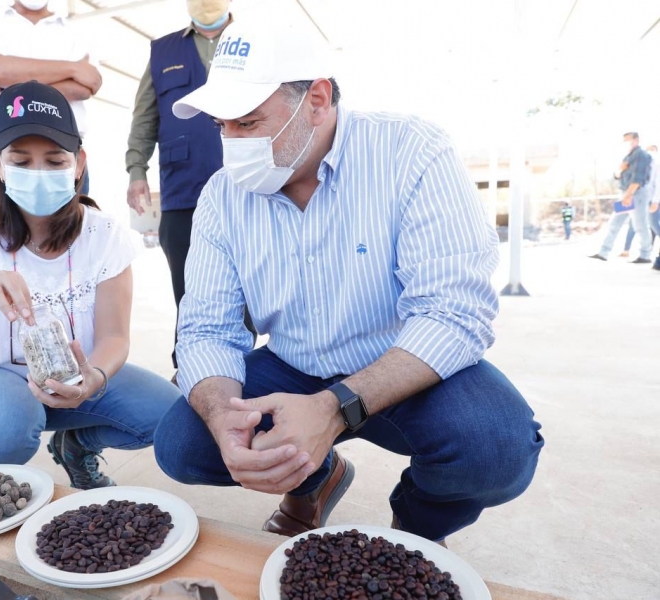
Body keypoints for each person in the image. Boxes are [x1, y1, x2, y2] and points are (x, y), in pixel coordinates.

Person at [152, 21, 544, 544]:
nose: (231, 144)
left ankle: (417, 525)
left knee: (497, 449)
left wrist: (333, 408)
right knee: (185, 443)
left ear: (316, 99)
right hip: (294, 363)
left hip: (404, 366)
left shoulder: (410, 151)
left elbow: (453, 312)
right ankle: (315, 480)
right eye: (222, 125)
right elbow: (206, 330)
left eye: (247, 122)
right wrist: (225, 417)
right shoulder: (223, 197)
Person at [0, 82, 179, 488]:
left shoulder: (105, 236)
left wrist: (94, 378)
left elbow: (113, 338)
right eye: (21, 161)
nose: (38, 174)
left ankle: (77, 445)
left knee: (171, 416)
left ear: (79, 164)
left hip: (73, 376)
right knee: (7, 420)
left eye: (55, 161)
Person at [125, 0, 255, 379]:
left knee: (248, 291)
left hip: (248, 188)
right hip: (183, 190)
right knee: (188, 290)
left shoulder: (252, 40)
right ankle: (191, 371)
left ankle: (243, 368)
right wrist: (136, 170)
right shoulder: (162, 51)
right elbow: (145, 117)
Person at [0, 0, 102, 202]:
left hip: (64, 153)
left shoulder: (78, 31)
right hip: (5, 148)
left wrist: (4, 87)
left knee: (71, 221)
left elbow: (85, 87)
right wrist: (73, 69)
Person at [590, 132, 654, 263]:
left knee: (640, 224)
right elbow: (618, 175)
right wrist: (619, 171)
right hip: (626, 193)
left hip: (636, 193)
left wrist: (628, 195)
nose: (625, 143)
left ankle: (645, 255)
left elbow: (638, 178)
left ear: (636, 140)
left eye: (627, 140)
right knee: (615, 222)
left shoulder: (641, 155)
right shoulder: (628, 156)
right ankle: (603, 252)